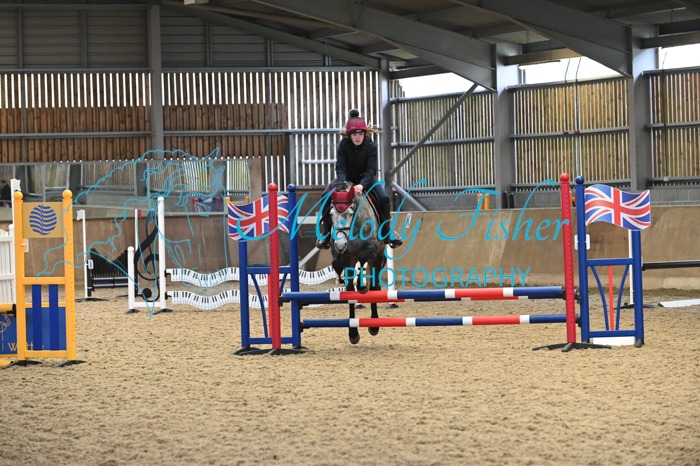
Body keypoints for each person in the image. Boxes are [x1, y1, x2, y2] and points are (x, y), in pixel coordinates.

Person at [316, 109, 403, 249]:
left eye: (360, 134)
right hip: (346, 179)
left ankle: (388, 232)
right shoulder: (343, 145)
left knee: (383, 198)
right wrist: (345, 184)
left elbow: (371, 170)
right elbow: (340, 167)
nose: (358, 137)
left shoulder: (371, 146)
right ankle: (326, 234)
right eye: (355, 134)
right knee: (325, 196)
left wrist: (362, 185)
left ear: (364, 134)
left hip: (366, 179)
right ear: (349, 135)